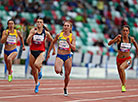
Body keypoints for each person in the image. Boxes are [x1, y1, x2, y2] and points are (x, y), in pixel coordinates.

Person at [47, 21, 76, 96]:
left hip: (68, 57)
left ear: (70, 28)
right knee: (57, 70)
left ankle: (65, 87)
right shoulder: (59, 35)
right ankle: (60, 69)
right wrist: (49, 52)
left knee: (67, 75)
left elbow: (74, 48)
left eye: (67, 26)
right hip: (59, 55)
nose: (65, 27)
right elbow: (52, 42)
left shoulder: (72, 36)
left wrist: (69, 43)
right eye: (64, 25)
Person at [26, 18, 55, 93]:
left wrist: (53, 50)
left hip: (41, 52)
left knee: (36, 64)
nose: (39, 23)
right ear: (36, 23)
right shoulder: (33, 31)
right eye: (37, 22)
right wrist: (31, 35)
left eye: (40, 22)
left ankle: (40, 70)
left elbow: (52, 40)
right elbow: (27, 41)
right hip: (32, 51)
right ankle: (36, 83)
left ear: (42, 24)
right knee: (33, 70)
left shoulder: (46, 33)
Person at [108, 25, 138, 92]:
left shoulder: (131, 39)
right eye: (124, 30)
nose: (125, 32)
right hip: (119, 59)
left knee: (122, 68)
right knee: (120, 74)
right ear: (122, 31)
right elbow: (109, 44)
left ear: (129, 32)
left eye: (126, 31)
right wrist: (115, 39)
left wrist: (137, 53)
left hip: (128, 59)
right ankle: (122, 84)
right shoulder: (119, 38)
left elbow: (136, 46)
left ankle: (124, 85)